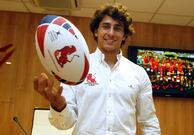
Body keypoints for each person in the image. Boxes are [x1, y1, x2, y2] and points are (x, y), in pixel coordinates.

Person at [33, 3, 161, 135]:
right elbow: (65, 123)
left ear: (124, 35)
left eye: (117, 28)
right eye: (106, 27)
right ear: (96, 31)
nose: (111, 33)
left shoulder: (138, 74)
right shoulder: (75, 68)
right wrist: (59, 106)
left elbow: (149, 122)